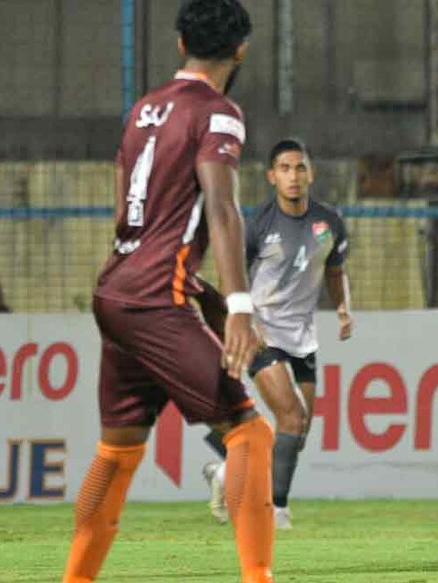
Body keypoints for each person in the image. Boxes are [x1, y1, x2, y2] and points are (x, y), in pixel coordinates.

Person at [62, 1, 274, 582]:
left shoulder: (144, 108)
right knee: (249, 433)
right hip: (156, 298)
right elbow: (222, 207)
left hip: (116, 290)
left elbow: (125, 203)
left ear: (181, 43)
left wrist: (177, 274)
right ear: (241, 49)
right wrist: (239, 304)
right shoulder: (218, 113)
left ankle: (76, 578)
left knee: (119, 449)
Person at [198, 138, 352, 530]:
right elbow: (231, 275)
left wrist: (342, 307)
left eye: (300, 167)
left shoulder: (329, 222)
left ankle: (225, 470)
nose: (293, 176)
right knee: (292, 416)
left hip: (304, 337)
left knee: (297, 431)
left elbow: (335, 270)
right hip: (262, 334)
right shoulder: (257, 225)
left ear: (311, 173)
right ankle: (276, 509)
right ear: (272, 176)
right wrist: (241, 320)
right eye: (285, 168)